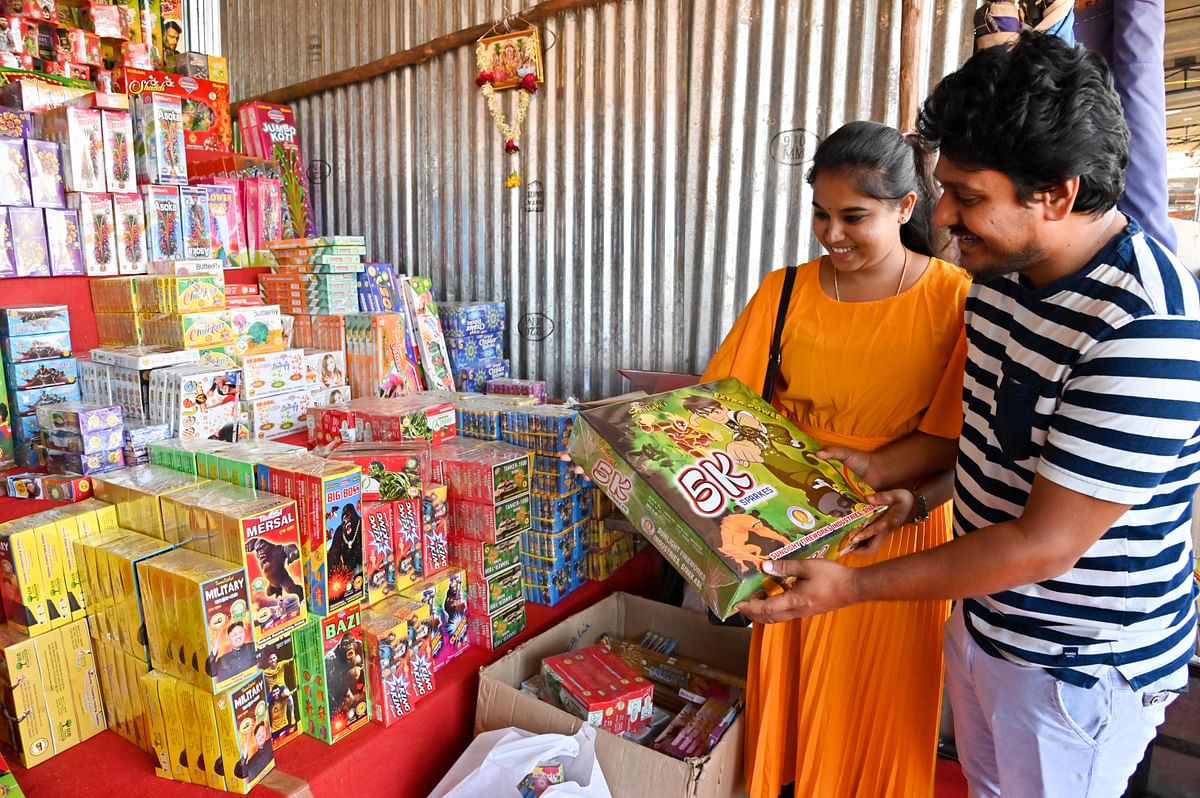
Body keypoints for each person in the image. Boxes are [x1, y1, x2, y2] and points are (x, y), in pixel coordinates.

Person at [737, 33, 1200, 798]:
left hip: (1075, 670)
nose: (944, 216)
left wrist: (853, 587)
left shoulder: (1143, 328)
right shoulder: (998, 281)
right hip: (985, 624)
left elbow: (1044, 544)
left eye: (969, 196)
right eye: (945, 188)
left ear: (1055, 193)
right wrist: (912, 495)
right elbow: (990, 450)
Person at [701, 120, 971, 798]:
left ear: (906, 208)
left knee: (881, 708)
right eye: (821, 214)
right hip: (791, 517)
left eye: (854, 216)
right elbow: (722, 405)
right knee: (790, 693)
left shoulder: (954, 298)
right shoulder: (784, 290)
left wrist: (877, 474)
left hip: (894, 529)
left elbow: (956, 437)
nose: (832, 233)